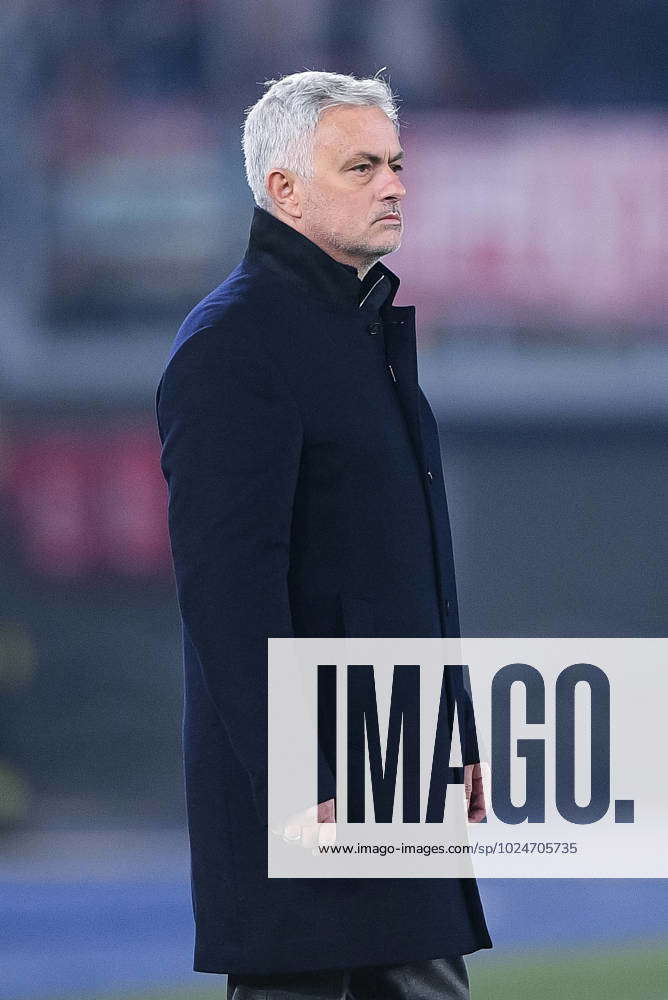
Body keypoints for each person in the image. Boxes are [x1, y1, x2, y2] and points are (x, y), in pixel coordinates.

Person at [155, 70, 492, 1000]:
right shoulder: (236, 342)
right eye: (363, 166)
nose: (395, 184)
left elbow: (403, 578)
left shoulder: (355, 335)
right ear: (284, 190)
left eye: (395, 163)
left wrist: (451, 730)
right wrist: (300, 776)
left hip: (395, 781)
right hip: (319, 804)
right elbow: (228, 592)